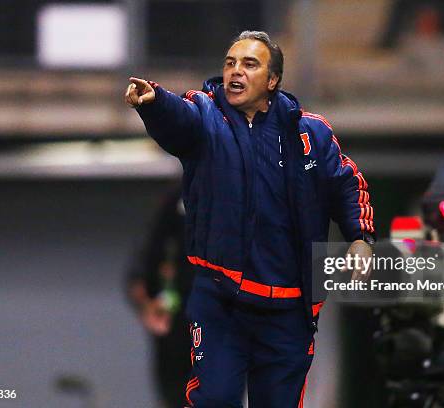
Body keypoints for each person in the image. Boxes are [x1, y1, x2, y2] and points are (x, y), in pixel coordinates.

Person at [124, 30, 376, 407]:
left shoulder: (311, 133)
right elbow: (179, 119)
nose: (235, 72)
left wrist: (360, 237)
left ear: (272, 80)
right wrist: (155, 101)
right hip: (222, 302)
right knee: (216, 399)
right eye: (230, 63)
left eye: (249, 64)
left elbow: (346, 182)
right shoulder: (206, 116)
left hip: (290, 309)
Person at [126, 186, 193, 408]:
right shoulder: (171, 202)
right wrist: (146, 305)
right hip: (173, 326)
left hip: (220, 328)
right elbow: (138, 275)